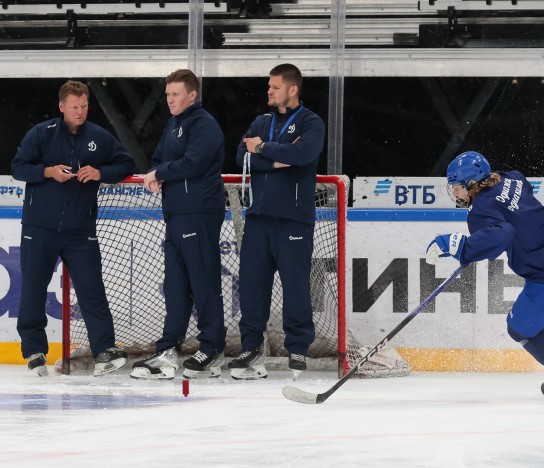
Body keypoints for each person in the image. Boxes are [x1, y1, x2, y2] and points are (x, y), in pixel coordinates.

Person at [425, 151, 544, 399]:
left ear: (472, 183)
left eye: (457, 187)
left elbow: (501, 234)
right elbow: (522, 192)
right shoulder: (508, 178)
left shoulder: (481, 209)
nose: (455, 193)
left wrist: (460, 247)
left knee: (518, 327)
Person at [11, 80, 134, 377]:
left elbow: (126, 163)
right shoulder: (42, 133)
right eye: (75, 106)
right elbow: (18, 167)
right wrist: (47, 172)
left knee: (92, 289)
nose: (80, 112)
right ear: (62, 106)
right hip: (39, 227)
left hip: (80, 231)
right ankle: (35, 351)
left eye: (85, 106)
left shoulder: (99, 137)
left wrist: (100, 172)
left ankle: (104, 349)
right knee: (33, 288)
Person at [227, 63, 325, 380]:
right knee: (252, 287)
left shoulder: (311, 122)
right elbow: (240, 156)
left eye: (274, 87)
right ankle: (251, 349)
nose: (268, 91)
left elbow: (303, 155)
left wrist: (264, 150)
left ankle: (297, 349)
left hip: (294, 220)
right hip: (257, 219)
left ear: (292, 89)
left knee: (296, 288)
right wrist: (278, 158)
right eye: (268, 86)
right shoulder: (261, 121)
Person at [130, 69, 227, 380]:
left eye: (175, 94)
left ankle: (212, 348)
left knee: (203, 282)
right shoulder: (173, 125)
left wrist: (161, 173)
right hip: (175, 213)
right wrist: (157, 171)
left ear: (192, 95)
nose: (169, 100)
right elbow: (158, 159)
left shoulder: (204, 125)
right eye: (168, 94)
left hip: (198, 212)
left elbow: (194, 163)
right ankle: (168, 349)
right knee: (176, 286)